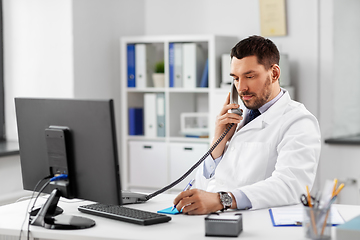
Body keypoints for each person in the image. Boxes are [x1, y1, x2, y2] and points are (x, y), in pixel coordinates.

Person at [173, 35, 321, 215]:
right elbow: (206, 185)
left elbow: (291, 186)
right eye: (235, 78)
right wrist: (217, 143)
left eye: (249, 76)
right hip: (216, 220)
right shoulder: (236, 120)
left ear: (274, 73)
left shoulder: (298, 121)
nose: (241, 87)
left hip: (259, 225)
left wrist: (223, 200)